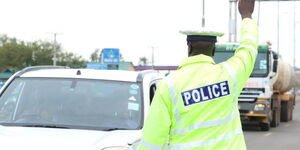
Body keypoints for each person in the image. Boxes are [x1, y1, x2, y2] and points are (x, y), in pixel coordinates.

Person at [138, 0, 257, 149]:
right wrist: (247, 15)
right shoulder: (230, 75)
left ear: (188, 47)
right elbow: (249, 49)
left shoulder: (168, 86)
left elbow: (152, 140)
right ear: (214, 50)